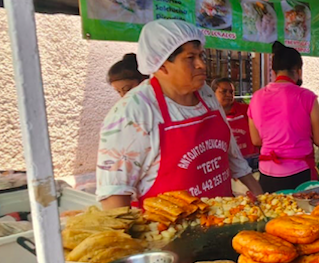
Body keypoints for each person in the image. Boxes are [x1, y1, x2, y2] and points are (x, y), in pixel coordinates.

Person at [96, 20, 263, 208]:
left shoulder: (206, 93)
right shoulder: (132, 112)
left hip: (223, 219)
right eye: (190, 58)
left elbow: (230, 151)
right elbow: (114, 193)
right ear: (162, 65)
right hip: (168, 232)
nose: (201, 64)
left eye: (201, 55)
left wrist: (259, 196)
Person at [248, 41, 319, 193]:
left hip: (267, 174)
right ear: (298, 71)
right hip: (299, 175)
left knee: (273, 214)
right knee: (300, 215)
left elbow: (256, 140)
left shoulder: (256, 97)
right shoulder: (307, 97)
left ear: (274, 72)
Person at [212, 77, 258, 169]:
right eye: (224, 91)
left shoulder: (246, 110)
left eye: (231, 92)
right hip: (225, 163)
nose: (229, 95)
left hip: (250, 160)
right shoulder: (210, 115)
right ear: (213, 94)